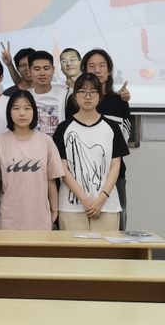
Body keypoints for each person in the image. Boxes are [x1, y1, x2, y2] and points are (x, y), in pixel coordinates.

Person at [53, 73, 129, 231]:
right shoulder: (63, 128)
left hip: (107, 204)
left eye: (93, 92)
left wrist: (101, 199)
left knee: (106, 247)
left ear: (100, 95)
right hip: (72, 206)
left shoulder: (112, 127)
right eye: (82, 92)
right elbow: (63, 169)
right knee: (73, 246)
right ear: (75, 96)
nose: (87, 96)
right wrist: (84, 199)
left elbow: (115, 166)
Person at [0, 90, 63, 230]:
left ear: (34, 111)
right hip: (7, 218)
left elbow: (51, 180)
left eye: (27, 108)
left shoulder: (46, 141)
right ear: (9, 112)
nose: (22, 113)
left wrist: (54, 209)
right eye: (16, 108)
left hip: (39, 217)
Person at [80, 48, 131, 229]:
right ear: (84, 70)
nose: (97, 70)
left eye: (102, 65)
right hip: (81, 176)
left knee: (117, 226)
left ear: (109, 71)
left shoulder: (120, 101)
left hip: (114, 174)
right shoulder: (76, 101)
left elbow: (123, 140)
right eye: (92, 65)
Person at [28, 50, 68, 137]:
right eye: (37, 69)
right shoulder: (25, 97)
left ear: (53, 70)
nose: (42, 73)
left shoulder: (65, 93)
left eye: (46, 68)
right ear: (30, 71)